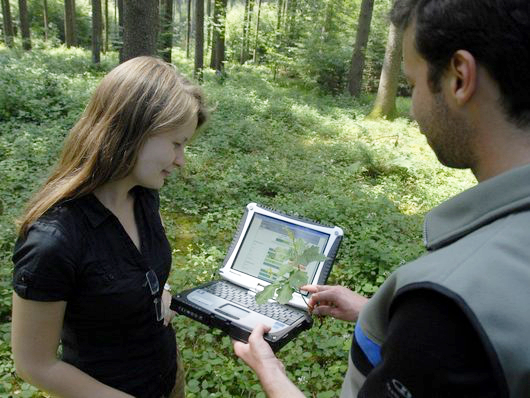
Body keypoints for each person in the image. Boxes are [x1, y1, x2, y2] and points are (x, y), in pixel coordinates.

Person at [233, 0, 530, 397]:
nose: (412, 112)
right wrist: (377, 311)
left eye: (411, 84)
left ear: (459, 77)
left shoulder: (446, 306)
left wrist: (269, 370)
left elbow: (455, 334)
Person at [11, 56, 207, 398]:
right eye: (176, 143)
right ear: (134, 130)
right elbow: (34, 364)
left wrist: (159, 292)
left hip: (166, 376)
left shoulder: (143, 196)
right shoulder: (53, 241)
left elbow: (137, 266)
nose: (181, 160)